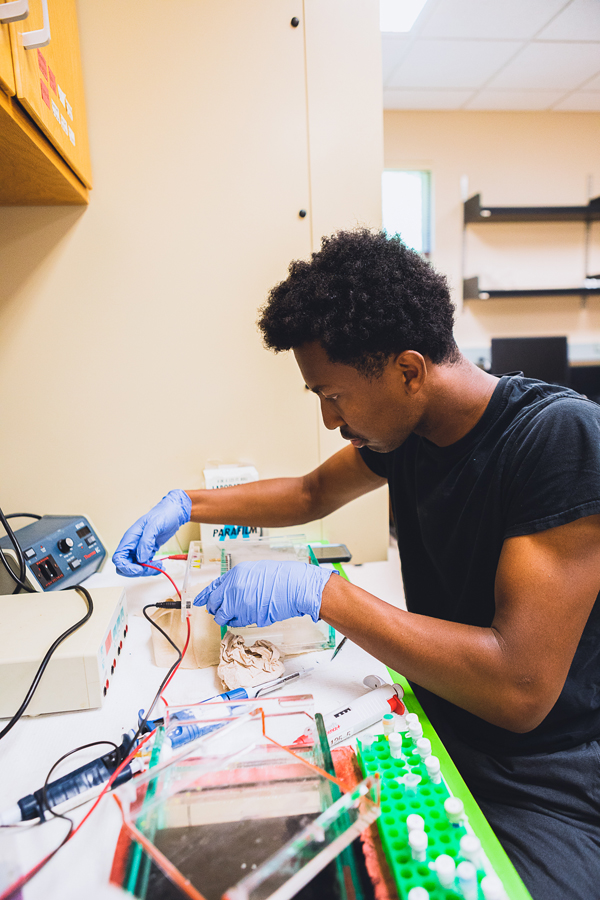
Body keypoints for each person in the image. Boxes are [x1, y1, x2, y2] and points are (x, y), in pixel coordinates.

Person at [113, 229, 600, 900]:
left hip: (544, 781)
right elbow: (312, 492)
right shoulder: (411, 430)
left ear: (407, 370)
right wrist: (187, 502)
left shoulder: (557, 438)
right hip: (438, 725)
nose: (329, 418)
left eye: (334, 396)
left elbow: (519, 689)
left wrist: (326, 594)